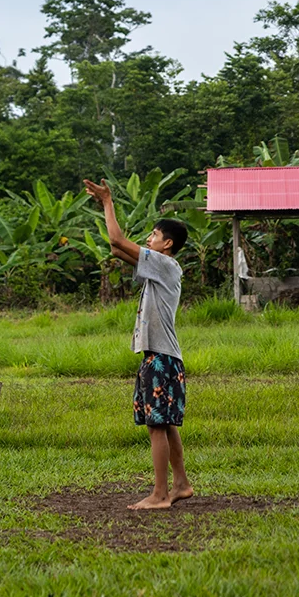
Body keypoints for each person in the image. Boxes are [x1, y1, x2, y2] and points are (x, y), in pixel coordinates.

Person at [84, 179, 192, 510]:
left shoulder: (165, 264)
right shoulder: (159, 267)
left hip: (161, 358)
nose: (148, 239)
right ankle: (181, 484)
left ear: (167, 244)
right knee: (164, 423)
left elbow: (118, 240)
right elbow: (116, 249)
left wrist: (108, 202)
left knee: (156, 426)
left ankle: (159, 495)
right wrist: (106, 213)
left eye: (154, 235)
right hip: (161, 356)